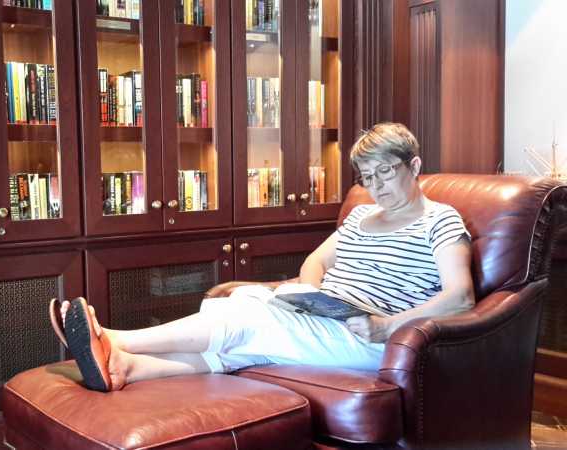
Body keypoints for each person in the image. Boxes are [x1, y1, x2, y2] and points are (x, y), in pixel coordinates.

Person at [53, 122, 475, 392]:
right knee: (242, 311)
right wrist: (312, 295)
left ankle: (113, 339)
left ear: (413, 165)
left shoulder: (440, 220)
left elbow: (461, 297)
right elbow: (315, 262)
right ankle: (127, 368)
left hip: (371, 336)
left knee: (247, 319)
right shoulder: (362, 216)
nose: (377, 186)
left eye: (385, 172)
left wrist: (387, 325)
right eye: (367, 177)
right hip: (330, 317)